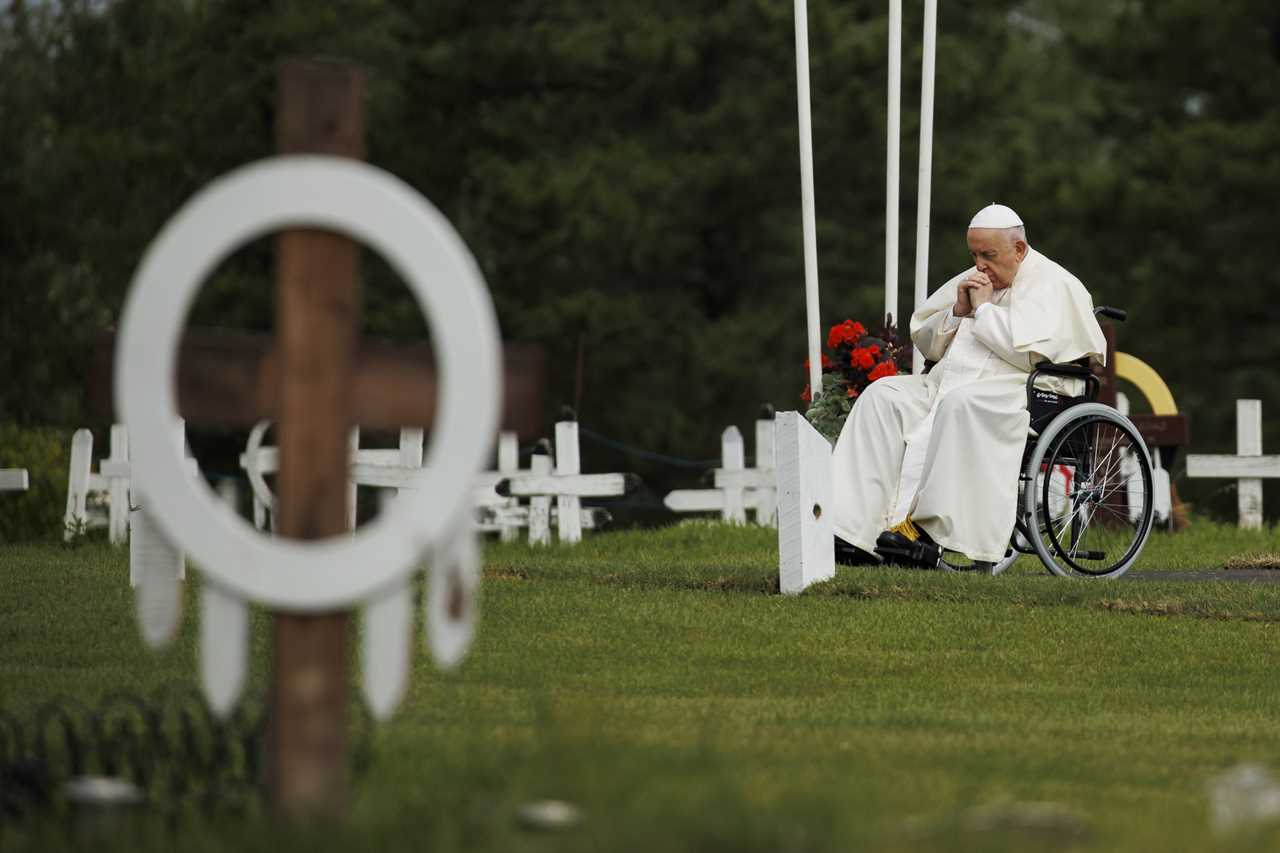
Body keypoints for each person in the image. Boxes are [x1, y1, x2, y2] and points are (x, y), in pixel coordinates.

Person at [829, 203, 1107, 568]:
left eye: (988, 255)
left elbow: (1028, 353)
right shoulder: (975, 280)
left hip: (1021, 393)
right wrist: (957, 311)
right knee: (882, 396)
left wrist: (985, 310)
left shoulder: (1057, 285)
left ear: (1019, 248)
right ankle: (851, 532)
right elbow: (927, 343)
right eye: (974, 254)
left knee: (960, 405)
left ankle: (927, 536)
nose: (979, 266)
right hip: (945, 385)